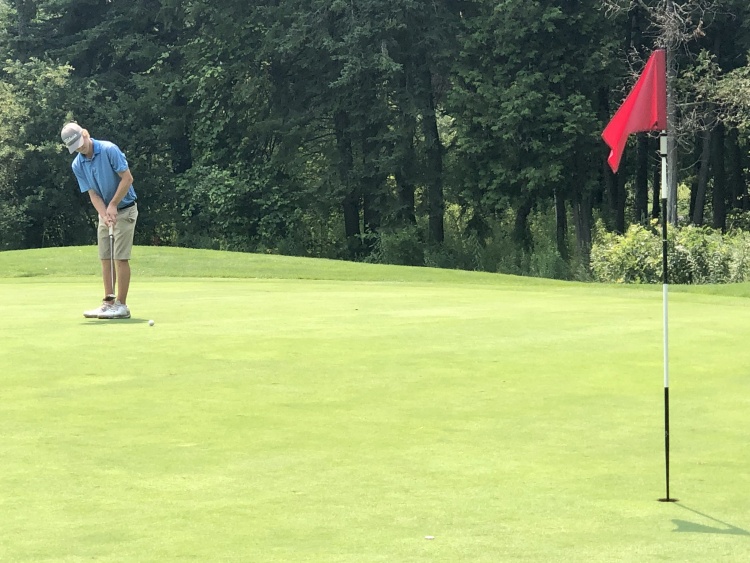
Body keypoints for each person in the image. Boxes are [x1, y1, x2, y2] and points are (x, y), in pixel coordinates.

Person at [61, 122, 138, 319]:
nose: (79, 148)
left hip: (125, 209)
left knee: (120, 258)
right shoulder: (77, 164)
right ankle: (108, 303)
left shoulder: (109, 150)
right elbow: (93, 194)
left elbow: (127, 179)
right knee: (105, 258)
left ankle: (122, 305)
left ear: (85, 134)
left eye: (80, 143)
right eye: (75, 147)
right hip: (105, 212)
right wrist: (104, 214)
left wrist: (113, 205)